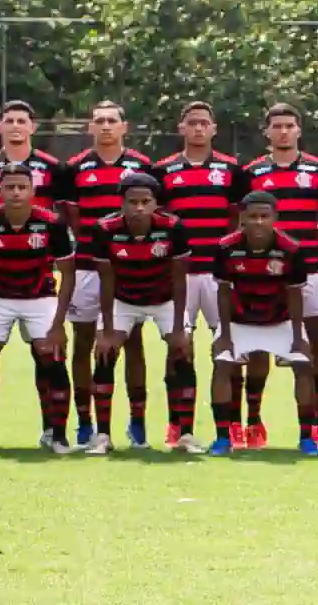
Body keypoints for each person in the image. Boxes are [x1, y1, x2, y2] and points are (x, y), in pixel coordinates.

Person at [0, 100, 70, 446]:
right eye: (9, 187)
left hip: (39, 296)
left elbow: (67, 273)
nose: (15, 192)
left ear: (33, 190)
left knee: (51, 356)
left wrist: (57, 323)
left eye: (21, 187)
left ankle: (55, 435)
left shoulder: (51, 224)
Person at [241, 103, 318, 448]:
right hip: (262, 273)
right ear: (266, 132)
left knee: (313, 345)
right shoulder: (251, 172)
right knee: (257, 347)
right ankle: (253, 420)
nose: (283, 131)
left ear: (299, 130)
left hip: (308, 271)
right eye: (277, 126)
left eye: (289, 126)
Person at [86, 173, 200, 454]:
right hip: (123, 299)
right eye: (132, 202)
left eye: (145, 201)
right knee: (104, 352)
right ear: (121, 203)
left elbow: (179, 279)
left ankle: (185, 434)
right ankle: (103, 436)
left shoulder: (173, 227)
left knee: (182, 350)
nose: (139, 207)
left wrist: (178, 328)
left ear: (155, 203)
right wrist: (108, 329)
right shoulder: (105, 228)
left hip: (164, 299)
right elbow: (107, 280)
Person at [63, 100, 152, 449]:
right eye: (98, 120)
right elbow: (71, 215)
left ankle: (137, 422)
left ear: (123, 127)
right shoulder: (75, 168)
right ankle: (85, 422)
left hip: (131, 267)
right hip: (87, 267)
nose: (105, 126)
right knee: (84, 343)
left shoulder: (142, 166)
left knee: (132, 343)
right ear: (89, 128)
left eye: (111, 121)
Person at [154, 101, 244, 449]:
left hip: (219, 275)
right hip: (180, 274)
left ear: (214, 128)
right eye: (192, 123)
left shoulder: (231, 169)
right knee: (179, 346)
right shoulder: (163, 170)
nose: (198, 129)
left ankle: (229, 426)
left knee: (227, 349)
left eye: (204, 123)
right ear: (181, 128)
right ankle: (180, 425)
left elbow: (239, 217)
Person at [210, 192, 317, 456]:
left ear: (275, 218)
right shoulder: (226, 247)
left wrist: (297, 335)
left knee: (304, 366)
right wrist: (224, 333)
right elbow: (224, 292)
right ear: (242, 218)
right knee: (222, 364)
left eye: (264, 216)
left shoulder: (291, 249)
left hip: (279, 321)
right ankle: (223, 438)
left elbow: (294, 294)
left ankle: (306, 438)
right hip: (240, 320)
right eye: (252, 217)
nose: (258, 222)